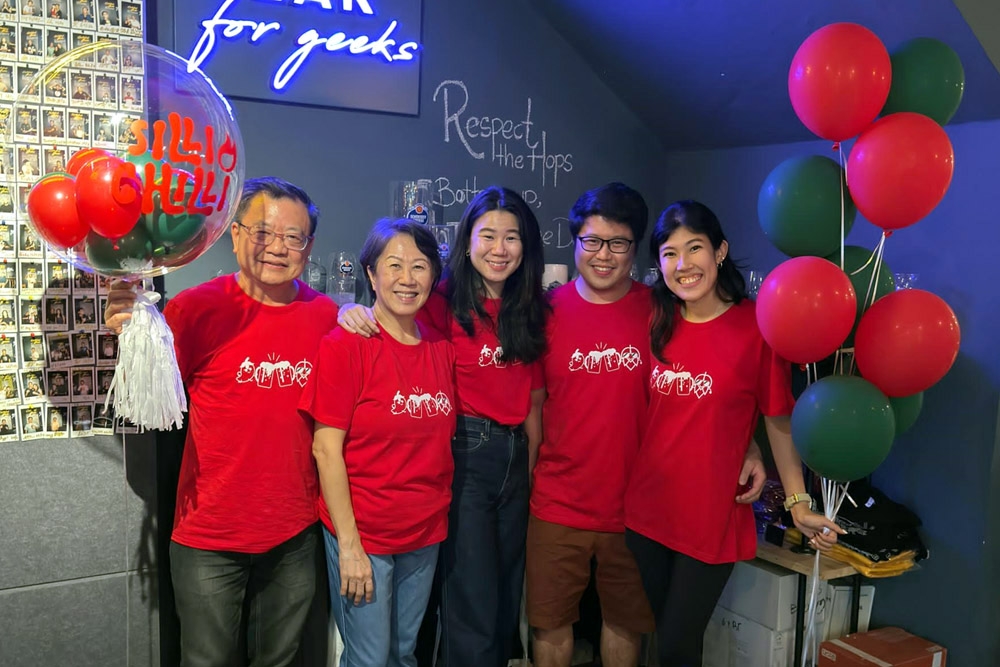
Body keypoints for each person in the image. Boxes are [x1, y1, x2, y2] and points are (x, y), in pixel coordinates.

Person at [527, 184, 766, 667]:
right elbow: (533, 407)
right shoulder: (546, 312)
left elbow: (722, 375)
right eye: (592, 241)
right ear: (574, 242)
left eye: (618, 244)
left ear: (636, 250)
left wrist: (751, 445)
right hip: (557, 503)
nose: (603, 255)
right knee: (550, 623)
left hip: (635, 511)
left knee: (627, 625)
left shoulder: (663, 310)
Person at [105, 177, 339, 667]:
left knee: (279, 659)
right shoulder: (197, 309)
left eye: (293, 237)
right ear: (234, 235)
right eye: (262, 232)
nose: (277, 248)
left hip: (294, 532)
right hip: (208, 534)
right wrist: (132, 337)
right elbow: (146, 404)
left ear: (309, 247)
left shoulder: (327, 318)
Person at [623, 200, 844, 666]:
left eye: (694, 248)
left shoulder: (756, 327)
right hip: (648, 510)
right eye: (668, 253)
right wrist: (744, 444)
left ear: (720, 251)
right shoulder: (654, 321)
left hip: (711, 513)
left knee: (679, 643)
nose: (682, 265)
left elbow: (776, 416)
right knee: (664, 636)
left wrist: (798, 502)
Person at [338, 187, 549, 667]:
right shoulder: (440, 299)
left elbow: (533, 401)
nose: (500, 249)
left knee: (503, 598)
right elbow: (385, 312)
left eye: (511, 238)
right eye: (488, 235)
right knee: (468, 599)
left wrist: (531, 472)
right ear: (467, 240)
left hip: (515, 459)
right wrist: (347, 310)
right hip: (465, 453)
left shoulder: (528, 306)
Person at [300, 218, 456, 667]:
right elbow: (325, 450)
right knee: (369, 659)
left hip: (424, 533)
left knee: (404, 655)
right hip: (364, 535)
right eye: (394, 265)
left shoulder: (441, 350)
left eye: (420, 266)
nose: (407, 279)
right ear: (370, 274)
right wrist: (349, 546)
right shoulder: (345, 346)